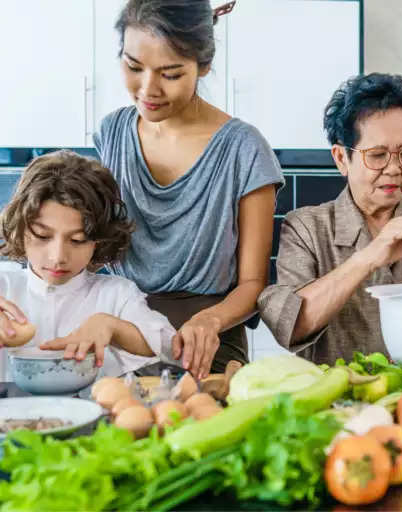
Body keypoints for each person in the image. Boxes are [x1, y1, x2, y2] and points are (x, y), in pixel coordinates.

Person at [94, 0, 284, 379]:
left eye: (171, 74)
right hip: (121, 330)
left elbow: (252, 284)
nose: (148, 89)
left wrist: (210, 320)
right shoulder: (111, 132)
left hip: (205, 341)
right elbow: (90, 246)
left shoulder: (244, 149)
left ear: (204, 66)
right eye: (133, 67)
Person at [257, 73, 402, 365]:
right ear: (341, 158)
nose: (395, 168)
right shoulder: (306, 227)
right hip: (337, 402)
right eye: (378, 155)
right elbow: (292, 326)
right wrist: (369, 256)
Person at [0, 150, 174, 381]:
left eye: (77, 240)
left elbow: (171, 349)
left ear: (99, 241)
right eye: (42, 236)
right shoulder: (5, 287)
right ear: (20, 230)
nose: (58, 257)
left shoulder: (116, 295)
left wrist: (114, 328)